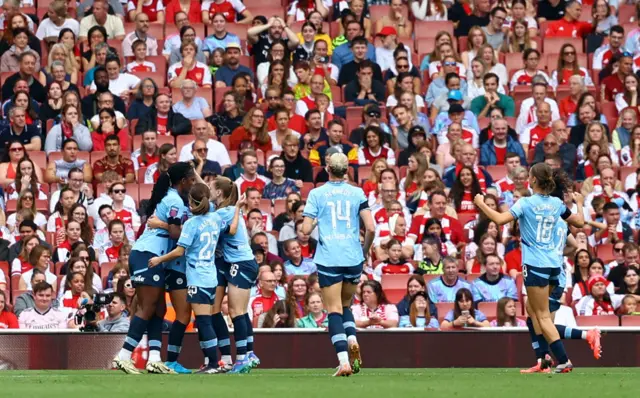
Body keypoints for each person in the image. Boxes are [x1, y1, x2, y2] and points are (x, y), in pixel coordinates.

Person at [474, 163, 585, 373]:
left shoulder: (525, 203)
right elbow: (579, 222)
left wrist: (481, 203)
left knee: (541, 316)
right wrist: (579, 203)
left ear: (533, 180)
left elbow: (499, 219)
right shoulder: (556, 203)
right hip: (554, 266)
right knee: (534, 312)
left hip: (535, 265)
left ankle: (563, 359)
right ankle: (543, 360)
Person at [112, 162, 195, 375]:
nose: (193, 182)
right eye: (191, 179)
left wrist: (162, 225)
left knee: (159, 308)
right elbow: (176, 233)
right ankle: (123, 355)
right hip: (147, 255)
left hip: (153, 256)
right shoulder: (174, 199)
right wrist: (169, 226)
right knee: (147, 307)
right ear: (183, 180)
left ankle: (155, 358)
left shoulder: (172, 197)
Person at [302, 151, 375, 376]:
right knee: (345, 305)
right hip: (353, 256)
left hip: (329, 257)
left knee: (333, 310)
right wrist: (364, 250)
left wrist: (315, 221)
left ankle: (343, 361)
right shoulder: (357, 192)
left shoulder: (317, 193)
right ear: (347, 170)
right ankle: (352, 338)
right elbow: (371, 228)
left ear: (326, 167)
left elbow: (305, 231)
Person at [148, 183, 224, 373]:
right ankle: (213, 362)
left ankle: (213, 364)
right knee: (205, 319)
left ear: (191, 202)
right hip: (211, 275)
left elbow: (180, 250)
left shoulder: (191, 224)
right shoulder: (216, 217)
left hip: (196, 275)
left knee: (204, 321)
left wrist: (159, 259)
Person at [210, 176, 261, 372]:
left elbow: (229, 231)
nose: (208, 191)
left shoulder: (225, 212)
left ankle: (241, 358)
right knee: (236, 310)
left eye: (211, 188)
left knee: (236, 311)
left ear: (219, 193)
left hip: (241, 263)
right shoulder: (227, 210)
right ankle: (248, 353)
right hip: (239, 262)